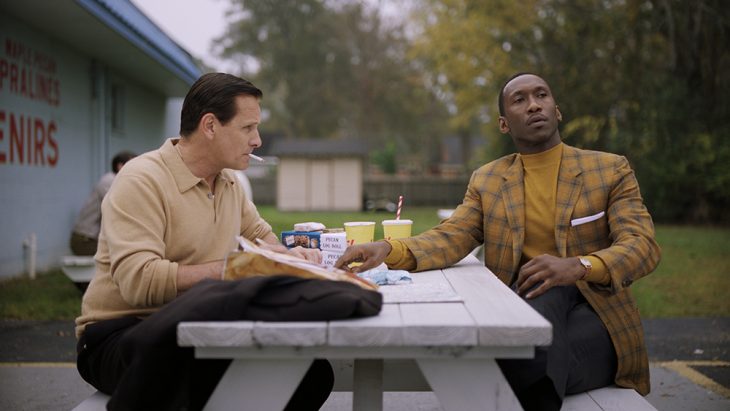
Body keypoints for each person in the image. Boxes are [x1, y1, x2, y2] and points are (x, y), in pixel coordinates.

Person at [335, 73, 661, 410]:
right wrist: (388, 249)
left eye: (541, 95)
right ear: (504, 124)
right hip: (523, 311)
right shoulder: (489, 180)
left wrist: (577, 266)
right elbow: (452, 236)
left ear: (557, 110)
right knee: (534, 339)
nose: (534, 104)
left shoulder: (608, 170)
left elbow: (642, 245)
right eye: (520, 99)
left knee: (512, 353)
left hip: (597, 313)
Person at [75, 73, 376, 411]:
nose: (258, 140)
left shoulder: (228, 182)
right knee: (221, 376)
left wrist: (291, 256)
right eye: (248, 128)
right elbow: (140, 282)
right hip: (120, 335)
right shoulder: (141, 180)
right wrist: (238, 269)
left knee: (310, 373)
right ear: (210, 126)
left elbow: (263, 241)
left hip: (196, 327)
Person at [69, 151, 136, 255]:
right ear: (120, 166)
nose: (137, 168)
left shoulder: (118, 181)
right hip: (84, 241)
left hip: (91, 239)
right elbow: (123, 208)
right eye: (133, 164)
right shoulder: (109, 181)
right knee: (125, 254)